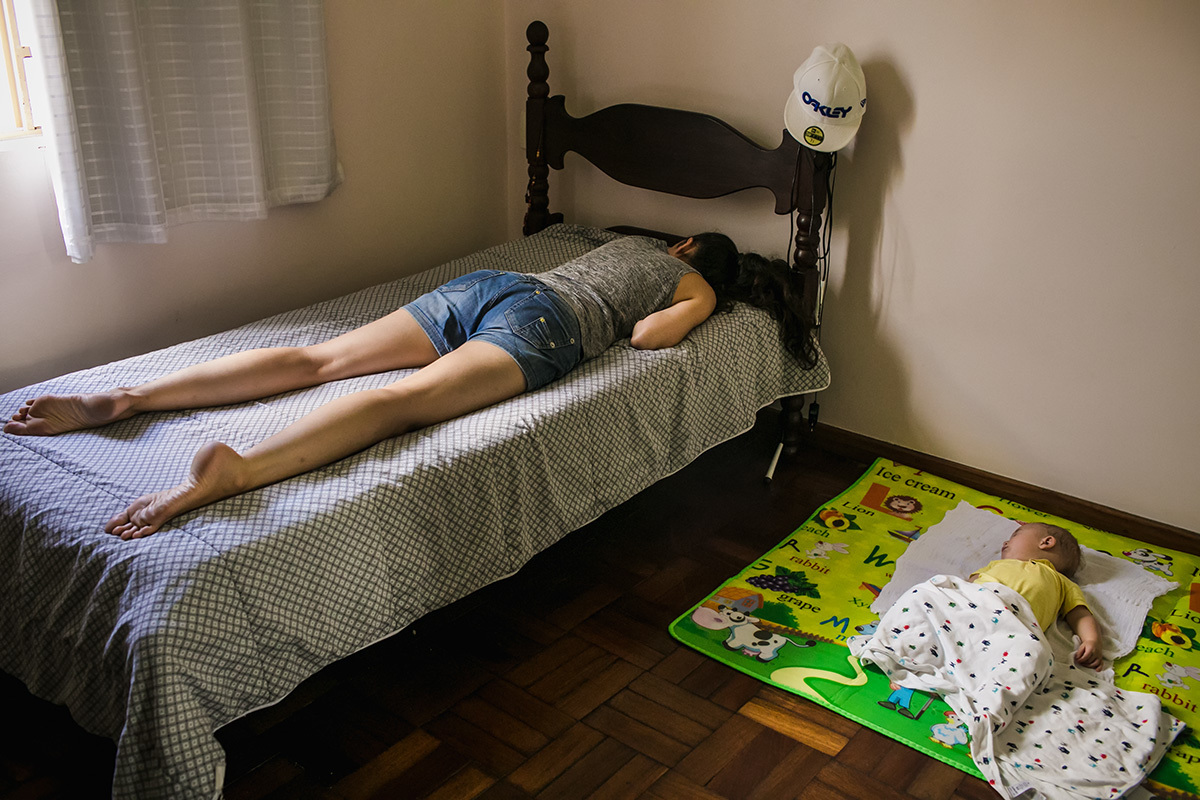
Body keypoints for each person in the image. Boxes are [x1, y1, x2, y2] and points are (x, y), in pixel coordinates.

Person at [5, 233, 815, 540]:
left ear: (678, 241)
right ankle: (242, 471)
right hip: (550, 332)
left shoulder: (622, 241)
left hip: (501, 284)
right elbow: (645, 339)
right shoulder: (697, 290)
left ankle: (131, 400)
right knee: (398, 405)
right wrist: (697, 310)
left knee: (319, 359)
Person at [969, 522, 1102, 669]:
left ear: (1046, 542)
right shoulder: (995, 565)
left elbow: (1080, 614)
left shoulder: (1061, 581)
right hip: (974, 605)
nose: (1005, 542)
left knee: (1026, 661)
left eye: (1015, 535)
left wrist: (1091, 640)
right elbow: (964, 585)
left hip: (1013, 628)